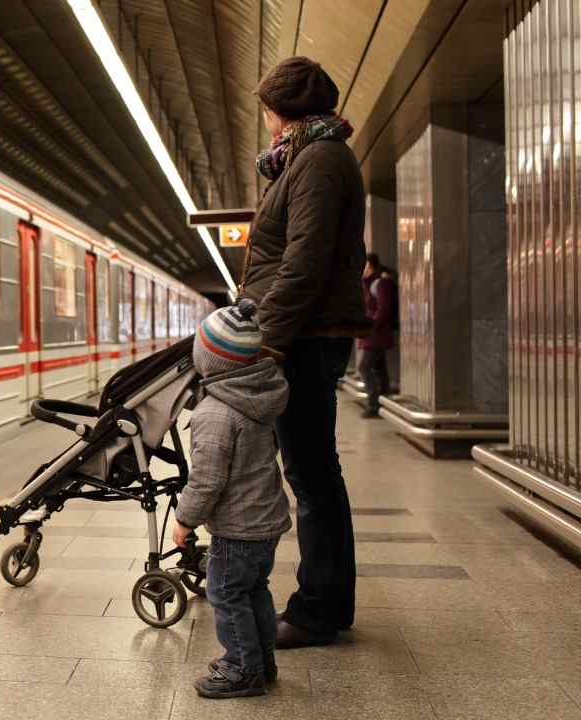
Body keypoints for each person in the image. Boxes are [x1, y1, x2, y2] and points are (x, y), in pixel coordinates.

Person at [242, 56, 369, 648]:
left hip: (306, 337)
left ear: (278, 111)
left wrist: (266, 338)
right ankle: (325, 602)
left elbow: (304, 261)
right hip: (306, 332)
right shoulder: (307, 157)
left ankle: (319, 609)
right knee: (313, 471)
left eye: (266, 108)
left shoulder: (318, 161)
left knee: (313, 475)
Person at [173, 299, 291, 699]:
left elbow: (207, 480)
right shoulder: (258, 397)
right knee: (254, 590)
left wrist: (185, 519)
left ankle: (242, 668)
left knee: (225, 593)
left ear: (207, 361)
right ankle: (262, 660)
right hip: (266, 521)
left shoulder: (214, 414)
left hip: (237, 528)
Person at [357, 253, 396, 418]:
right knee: (380, 368)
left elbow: (383, 309)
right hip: (373, 334)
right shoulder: (369, 283)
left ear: (370, 265)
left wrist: (370, 324)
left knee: (364, 367)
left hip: (376, 334)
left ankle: (373, 404)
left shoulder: (379, 283)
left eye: (364, 265)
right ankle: (383, 400)